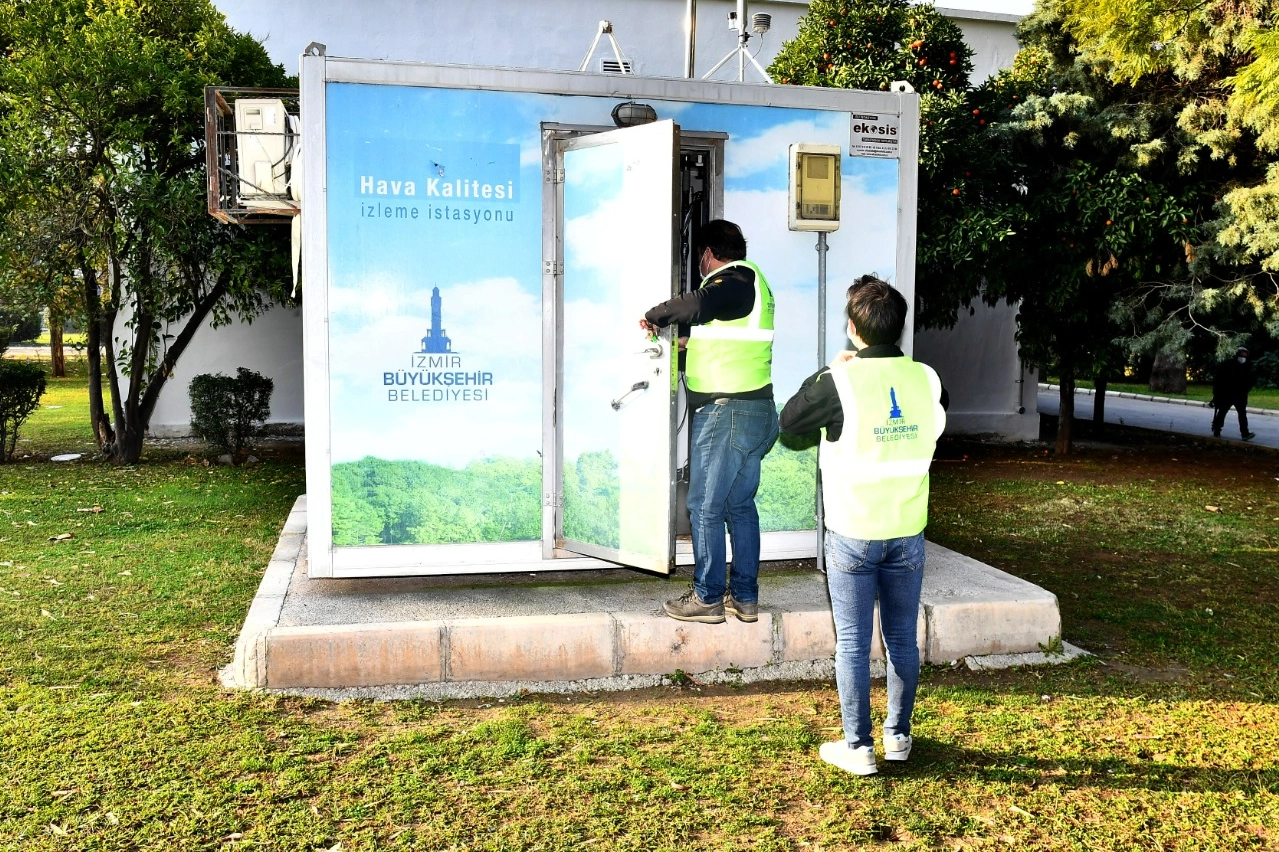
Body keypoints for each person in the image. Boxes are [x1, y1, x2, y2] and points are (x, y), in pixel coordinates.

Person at [779, 275, 946, 777]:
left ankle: (859, 746)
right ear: (899, 328)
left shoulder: (840, 381)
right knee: (901, 636)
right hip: (908, 530)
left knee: (852, 640)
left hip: (853, 531)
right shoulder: (928, 379)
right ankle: (898, 736)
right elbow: (936, 425)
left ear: (853, 329)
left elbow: (789, 421)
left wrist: (830, 369)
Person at [639, 219, 778, 624]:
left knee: (704, 505)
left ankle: (708, 597)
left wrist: (655, 316)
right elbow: (724, 338)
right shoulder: (754, 285)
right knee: (739, 505)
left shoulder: (733, 281)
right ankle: (746, 598)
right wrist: (686, 345)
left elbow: (697, 304)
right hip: (753, 410)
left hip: (727, 413)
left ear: (706, 255)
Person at [1211, 347, 1256, 441]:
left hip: (1241, 395)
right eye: (1242, 353)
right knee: (1222, 412)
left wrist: (1245, 390)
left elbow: (1251, 380)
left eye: (1245, 354)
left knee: (1242, 414)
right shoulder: (1228, 364)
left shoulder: (1247, 366)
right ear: (1237, 354)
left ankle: (1245, 433)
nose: (1244, 356)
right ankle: (1217, 430)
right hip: (1227, 394)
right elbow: (1219, 380)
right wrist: (1216, 394)